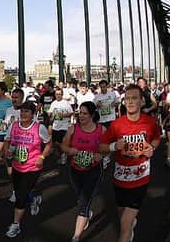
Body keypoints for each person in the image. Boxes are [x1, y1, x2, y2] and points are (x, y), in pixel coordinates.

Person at [99, 84, 161, 242]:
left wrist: (151, 149)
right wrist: (114, 146)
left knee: (124, 226)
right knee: (122, 215)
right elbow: (101, 147)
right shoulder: (116, 125)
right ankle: (130, 225)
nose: (130, 102)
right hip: (120, 178)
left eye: (134, 98)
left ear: (142, 101)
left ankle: (127, 230)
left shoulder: (150, 122)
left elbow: (156, 138)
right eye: (127, 98)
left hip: (140, 178)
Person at [3, 101, 51, 238]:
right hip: (18, 166)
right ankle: (34, 199)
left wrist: (41, 156)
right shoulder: (14, 126)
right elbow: (7, 140)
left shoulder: (39, 128)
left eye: (26, 112)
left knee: (20, 197)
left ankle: (16, 225)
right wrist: (7, 151)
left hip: (33, 167)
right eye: (22, 111)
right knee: (20, 192)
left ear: (33, 114)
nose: (23, 114)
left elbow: (48, 143)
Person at [62, 101, 105, 242]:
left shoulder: (101, 130)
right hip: (75, 170)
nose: (81, 115)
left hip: (93, 170)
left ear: (92, 115)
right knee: (80, 197)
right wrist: (69, 150)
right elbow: (64, 146)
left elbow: (109, 147)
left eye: (85, 113)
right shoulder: (73, 129)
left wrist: (102, 155)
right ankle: (86, 212)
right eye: (80, 112)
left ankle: (76, 236)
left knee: (83, 202)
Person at [48, 87, 73, 165]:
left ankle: (63, 157)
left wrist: (63, 115)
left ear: (62, 95)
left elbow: (71, 113)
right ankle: (62, 154)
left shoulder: (66, 103)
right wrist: (49, 114)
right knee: (56, 143)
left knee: (62, 142)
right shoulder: (53, 103)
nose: (58, 96)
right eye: (56, 94)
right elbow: (50, 112)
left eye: (59, 94)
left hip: (64, 126)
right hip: (55, 126)